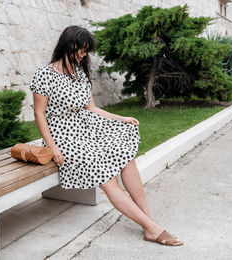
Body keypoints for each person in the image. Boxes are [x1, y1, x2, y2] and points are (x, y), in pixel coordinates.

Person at [29, 25, 183, 246]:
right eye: (81, 49)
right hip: (62, 135)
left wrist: (121, 119)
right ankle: (151, 228)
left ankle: (148, 220)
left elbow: (91, 107)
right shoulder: (44, 74)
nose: (84, 54)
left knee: (124, 152)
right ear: (68, 44)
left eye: (86, 50)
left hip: (86, 126)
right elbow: (39, 113)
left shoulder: (79, 72)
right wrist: (52, 147)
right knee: (107, 175)